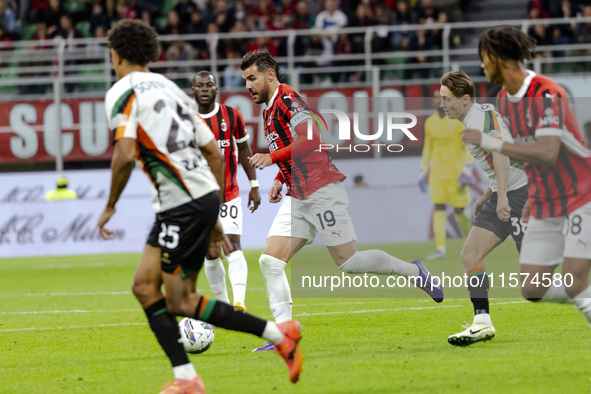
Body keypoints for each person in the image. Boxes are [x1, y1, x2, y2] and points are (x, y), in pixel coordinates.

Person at [97, 20, 303, 393]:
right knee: (159, 291)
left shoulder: (121, 92)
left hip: (180, 203)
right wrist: (213, 207)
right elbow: (211, 150)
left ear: (117, 54)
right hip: (206, 196)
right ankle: (273, 337)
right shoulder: (172, 91)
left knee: (160, 292)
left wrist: (110, 205)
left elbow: (125, 153)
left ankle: (190, 377)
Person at [240, 50, 444, 352]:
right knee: (270, 261)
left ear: (270, 75)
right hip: (297, 195)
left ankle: (414, 271)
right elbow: (293, 147)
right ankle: (284, 336)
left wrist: (270, 159)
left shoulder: (288, 99)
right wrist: (280, 179)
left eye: (252, 78)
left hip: (321, 190)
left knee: (348, 262)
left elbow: (310, 139)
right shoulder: (269, 108)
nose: (248, 86)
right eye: (245, 80)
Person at [462, 25, 591, 327]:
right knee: (533, 289)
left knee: (574, 282)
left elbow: (547, 151)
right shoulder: (505, 100)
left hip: (580, 194)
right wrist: (533, 196)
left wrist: (490, 142)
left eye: (484, 59)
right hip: (546, 201)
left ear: (496, 57)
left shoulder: (546, 92)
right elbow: (526, 153)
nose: (482, 66)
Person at [439, 71, 529, 345]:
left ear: (465, 99)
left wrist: (501, 196)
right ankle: (482, 323)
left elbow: (501, 154)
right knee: (470, 255)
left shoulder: (477, 121)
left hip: (521, 194)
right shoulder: (476, 116)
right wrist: (486, 195)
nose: (442, 104)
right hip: (504, 192)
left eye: (446, 98)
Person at [191, 70, 261, 311]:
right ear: (193, 90)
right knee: (211, 253)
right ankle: (223, 307)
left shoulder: (231, 115)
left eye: (208, 85)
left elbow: (244, 150)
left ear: (216, 89)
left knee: (232, 244)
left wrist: (254, 184)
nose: (204, 89)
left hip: (229, 194)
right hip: (199, 199)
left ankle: (239, 301)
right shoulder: (186, 120)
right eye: (199, 85)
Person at [419, 90, 472, 260]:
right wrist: (423, 171)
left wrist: (467, 169)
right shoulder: (430, 122)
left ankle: (472, 242)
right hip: (437, 173)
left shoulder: (459, 121)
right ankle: (440, 248)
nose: (440, 101)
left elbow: (468, 146)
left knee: (459, 210)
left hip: (456, 173)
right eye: (436, 98)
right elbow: (428, 148)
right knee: (438, 207)